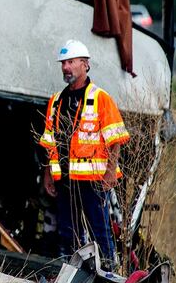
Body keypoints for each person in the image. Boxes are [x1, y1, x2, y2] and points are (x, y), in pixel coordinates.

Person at [39, 39, 130, 266]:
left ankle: (109, 271)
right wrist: (49, 173)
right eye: (63, 63)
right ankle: (72, 275)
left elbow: (115, 139)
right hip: (66, 180)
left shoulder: (100, 98)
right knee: (68, 232)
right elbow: (49, 140)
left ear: (85, 64)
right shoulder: (56, 101)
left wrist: (110, 173)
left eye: (71, 62)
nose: (65, 68)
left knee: (100, 230)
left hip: (93, 181)